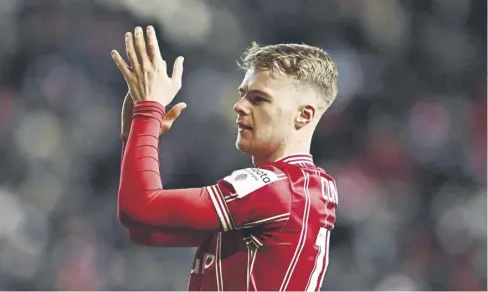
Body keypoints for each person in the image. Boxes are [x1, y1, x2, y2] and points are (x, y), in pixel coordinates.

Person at [112, 25, 339, 291]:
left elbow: (140, 209)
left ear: (304, 115)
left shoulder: (276, 189)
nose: (239, 106)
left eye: (259, 99)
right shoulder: (298, 189)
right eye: (243, 95)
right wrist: (139, 127)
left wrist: (148, 110)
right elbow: (144, 228)